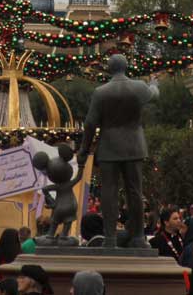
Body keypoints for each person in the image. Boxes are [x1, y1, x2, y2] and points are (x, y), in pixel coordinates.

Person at [76, 54, 158, 249]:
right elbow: (154, 95)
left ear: (109, 69)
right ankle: (138, 237)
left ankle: (110, 238)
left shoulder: (101, 92)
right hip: (134, 145)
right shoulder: (138, 87)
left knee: (109, 192)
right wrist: (154, 84)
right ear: (126, 66)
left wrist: (84, 150)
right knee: (135, 192)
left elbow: (90, 123)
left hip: (109, 146)